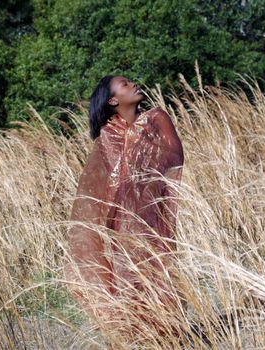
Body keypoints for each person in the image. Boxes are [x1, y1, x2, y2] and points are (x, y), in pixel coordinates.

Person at [65, 75, 185, 342]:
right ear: (113, 100)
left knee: (157, 264)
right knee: (124, 270)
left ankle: (165, 333)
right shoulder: (108, 136)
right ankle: (130, 334)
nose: (133, 85)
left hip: (152, 206)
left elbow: (174, 155)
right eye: (125, 85)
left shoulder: (156, 119)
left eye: (131, 81)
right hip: (119, 214)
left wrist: (142, 168)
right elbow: (97, 183)